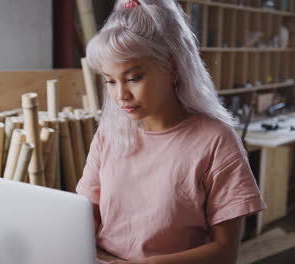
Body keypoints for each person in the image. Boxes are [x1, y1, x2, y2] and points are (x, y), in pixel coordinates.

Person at [76, 0, 266, 263]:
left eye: (133, 78)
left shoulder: (215, 141)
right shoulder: (109, 134)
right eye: (110, 81)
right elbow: (87, 216)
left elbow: (225, 251)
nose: (121, 96)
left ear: (174, 68)